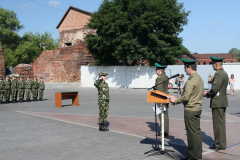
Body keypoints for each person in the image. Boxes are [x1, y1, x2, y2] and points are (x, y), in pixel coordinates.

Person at [170, 58, 203, 160]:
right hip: (198, 108)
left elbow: (185, 97)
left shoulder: (190, 81)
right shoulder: (199, 78)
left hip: (190, 110)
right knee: (197, 132)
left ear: (189, 68)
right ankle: (198, 154)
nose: (184, 70)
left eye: (185, 68)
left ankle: (192, 156)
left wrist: (175, 100)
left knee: (191, 134)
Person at [203, 55, 229, 151]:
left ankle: (220, 144)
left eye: (213, 64)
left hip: (218, 102)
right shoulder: (224, 73)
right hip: (221, 101)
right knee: (220, 124)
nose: (212, 66)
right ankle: (220, 143)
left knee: (218, 124)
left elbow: (215, 89)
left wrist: (207, 94)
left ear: (217, 64)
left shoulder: (219, 74)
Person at [154, 63, 169, 137]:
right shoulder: (166, 77)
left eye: (156, 70)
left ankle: (163, 131)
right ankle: (166, 130)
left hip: (161, 99)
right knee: (165, 115)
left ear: (159, 70)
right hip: (166, 97)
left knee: (161, 116)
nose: (156, 71)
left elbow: (159, 90)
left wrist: (158, 102)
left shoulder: (160, 78)